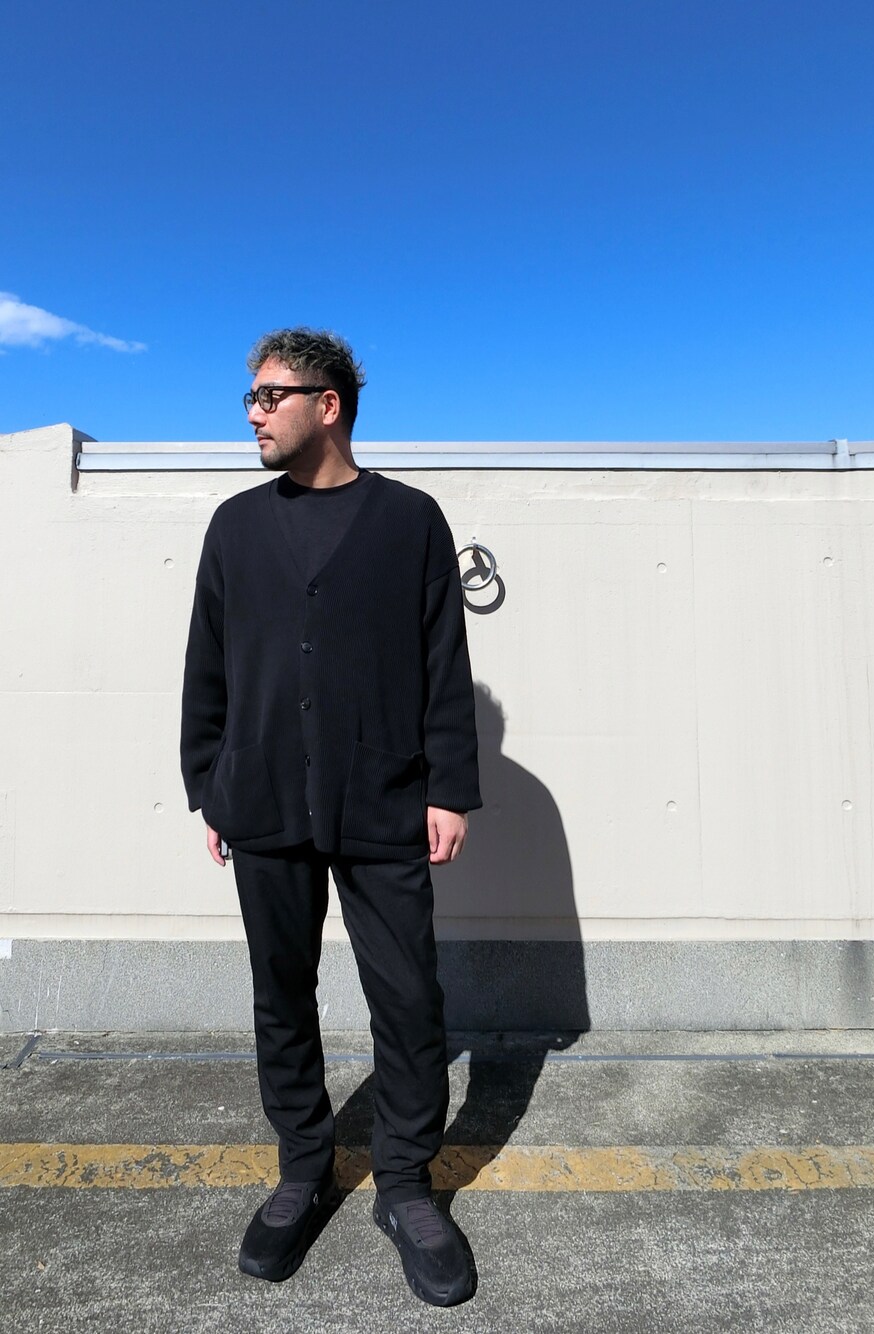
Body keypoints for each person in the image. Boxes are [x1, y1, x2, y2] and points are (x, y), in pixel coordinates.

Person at [180, 327, 481, 1307]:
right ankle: (303, 1169)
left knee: (409, 997)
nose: (254, 414)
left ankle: (406, 1185)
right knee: (281, 993)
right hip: (263, 797)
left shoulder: (409, 520)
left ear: (329, 403)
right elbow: (207, 664)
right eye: (250, 398)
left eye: (270, 395)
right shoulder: (235, 526)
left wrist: (448, 786)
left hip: (384, 796)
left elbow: (443, 663)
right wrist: (209, 782)